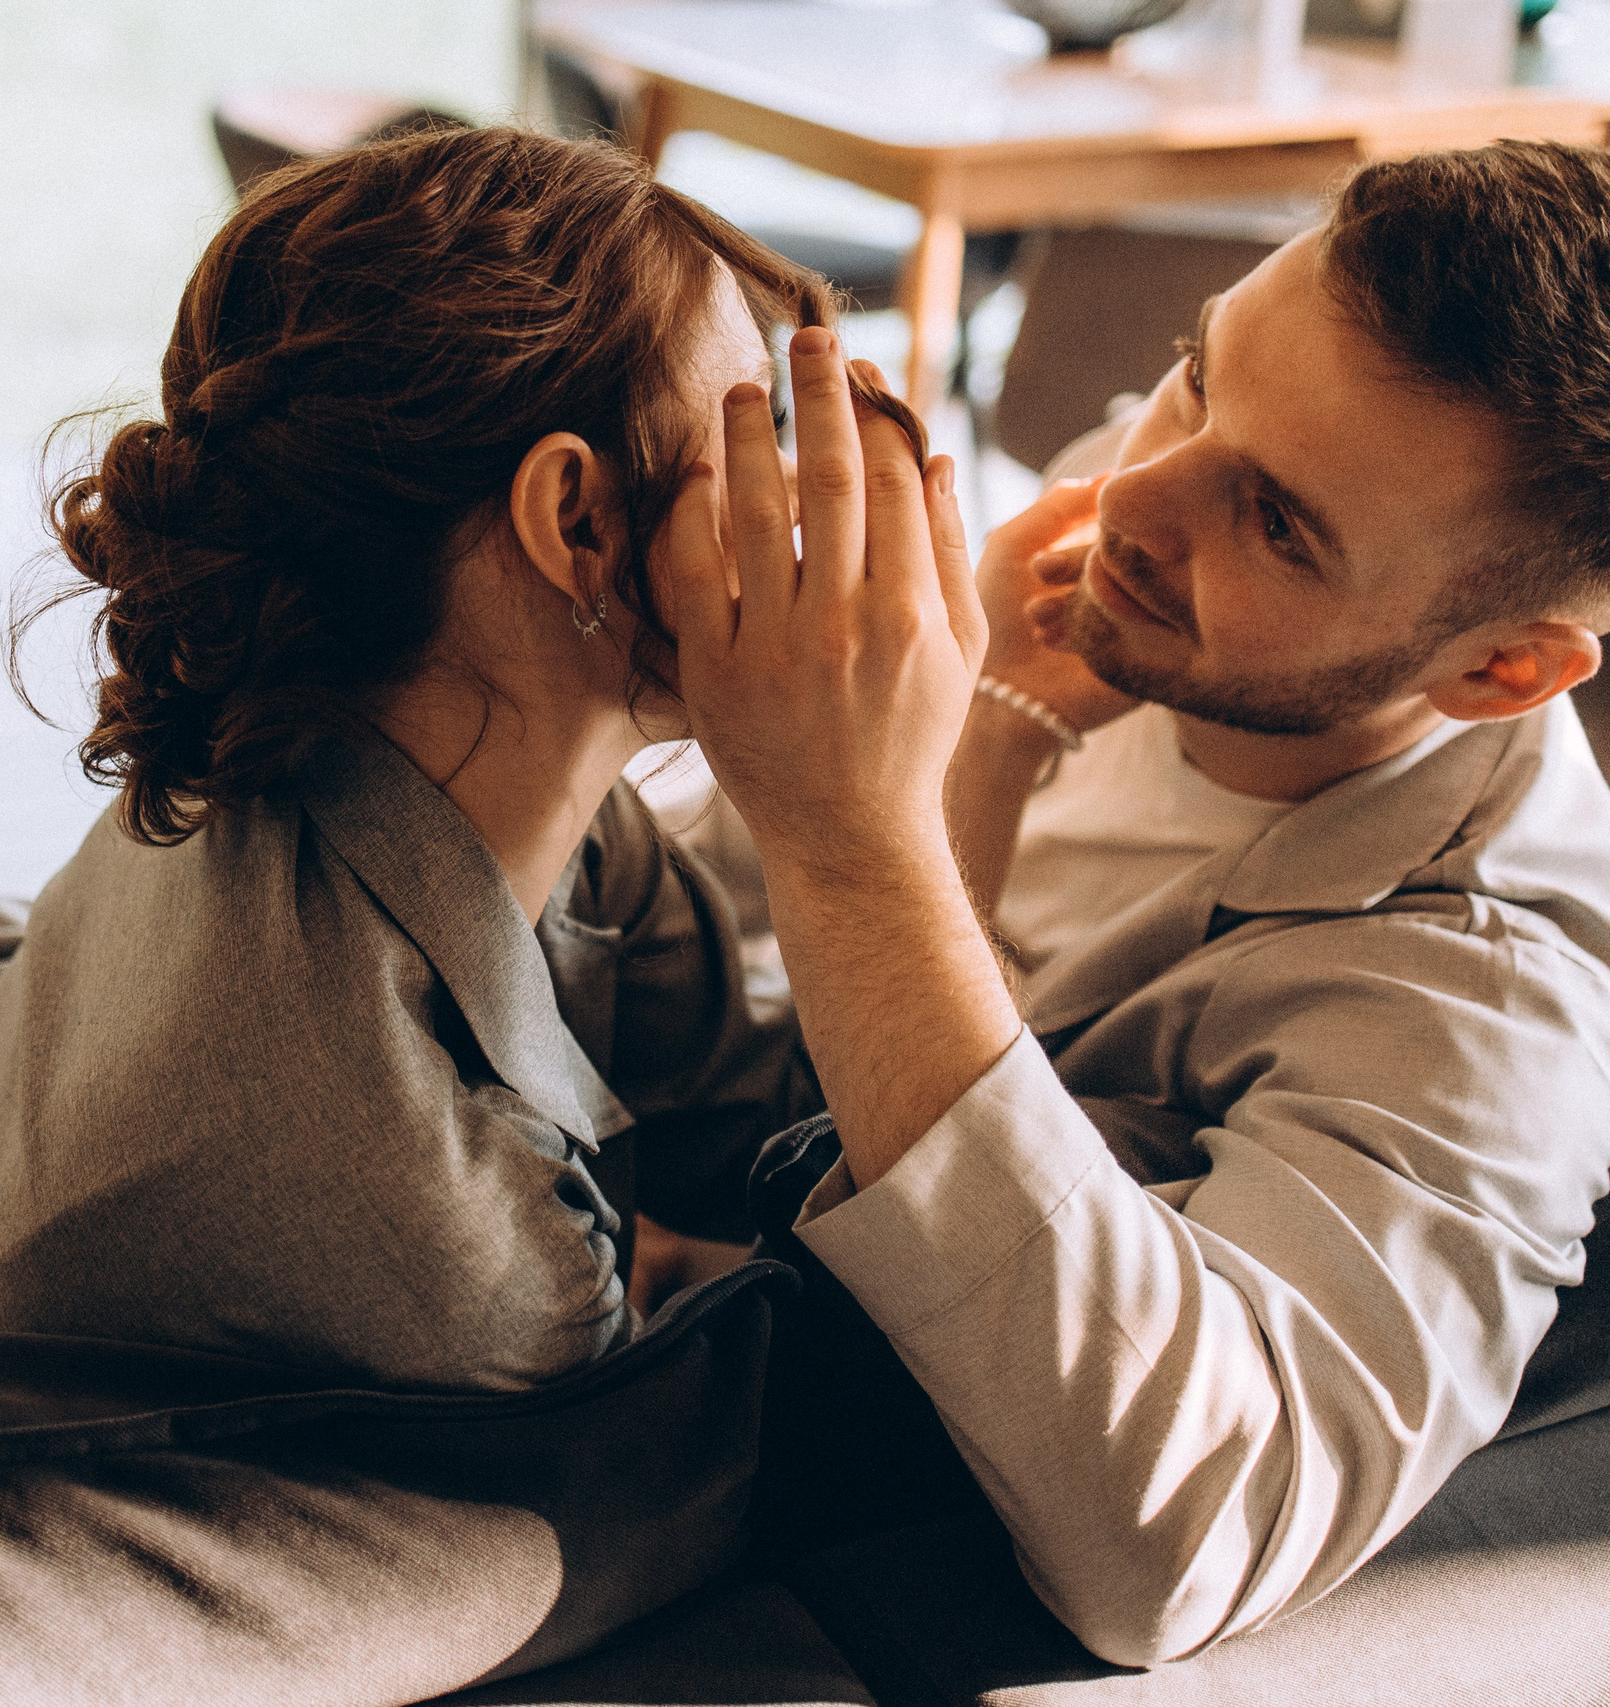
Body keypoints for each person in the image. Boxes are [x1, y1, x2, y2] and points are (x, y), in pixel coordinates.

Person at [0, 125, 941, 1390]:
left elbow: (771, 1129)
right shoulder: (432, 1225)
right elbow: (884, 1379)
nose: (796, 498)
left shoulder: (435, 762)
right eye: (755, 434)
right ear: (576, 522)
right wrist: (873, 820)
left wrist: (964, 756)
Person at [662, 139, 1610, 1665]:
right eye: (1194, 371)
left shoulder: (1487, 1012)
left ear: (1501, 670)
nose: (1129, 493)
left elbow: (1180, 1535)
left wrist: (871, 832)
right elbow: (706, 913)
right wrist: (973, 748)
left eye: (1279, 524)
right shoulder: (1151, 527)